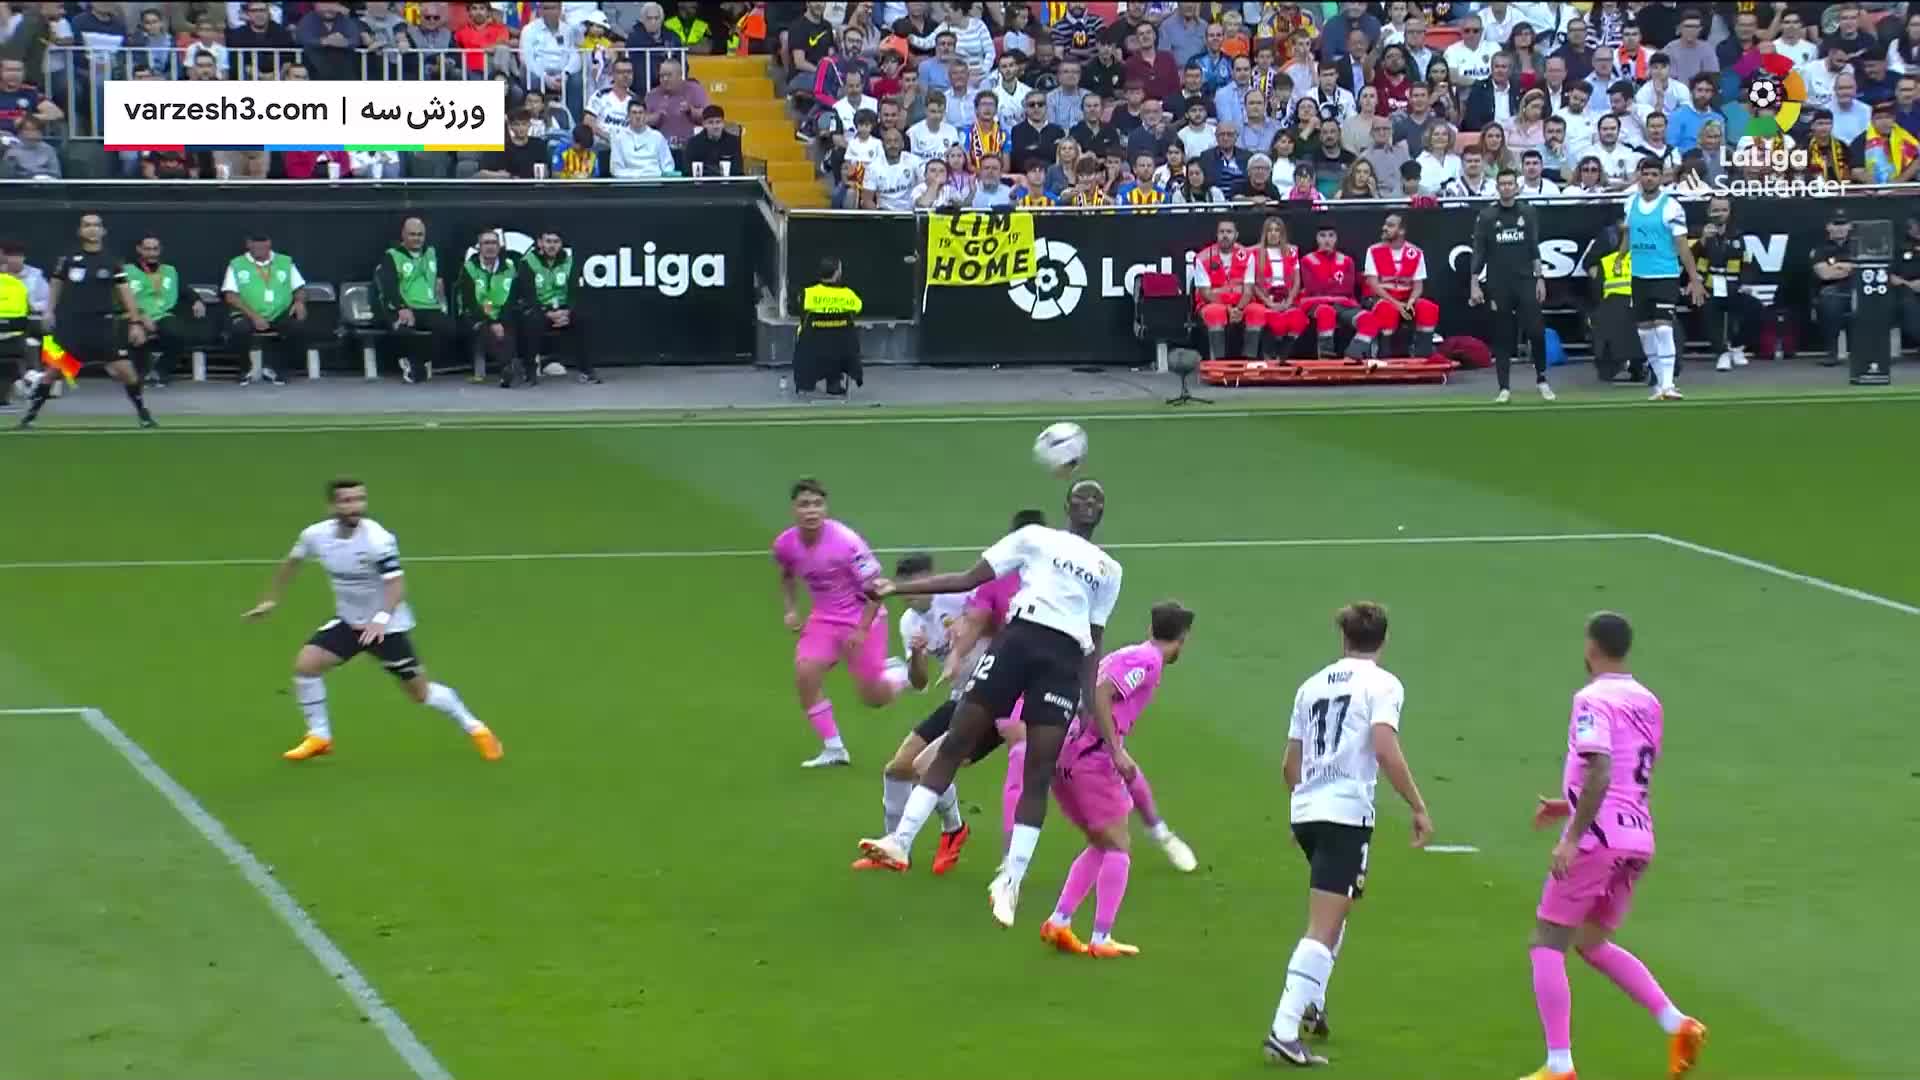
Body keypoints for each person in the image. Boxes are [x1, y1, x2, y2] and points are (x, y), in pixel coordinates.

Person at [858, 481, 1122, 930]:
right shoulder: (1035, 538)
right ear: (1066, 505)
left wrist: (1086, 696)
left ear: (1103, 511)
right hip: (1018, 641)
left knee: (1038, 770)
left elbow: (1094, 638)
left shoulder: (1109, 570)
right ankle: (900, 841)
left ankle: (1010, 881)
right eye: (1081, 497)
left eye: (1096, 499)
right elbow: (968, 578)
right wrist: (897, 588)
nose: (1088, 503)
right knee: (957, 739)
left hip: (1062, 661)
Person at [1519, 612, 1708, 1080]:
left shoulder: (1591, 700)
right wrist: (1567, 804)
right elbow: (1627, 773)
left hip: (1598, 839)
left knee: (1547, 942)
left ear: (1591, 648)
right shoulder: (1648, 701)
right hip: (1637, 836)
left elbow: (1602, 770)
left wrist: (1571, 837)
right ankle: (1678, 1024)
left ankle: (1559, 1067)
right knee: (1592, 941)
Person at [1263, 602, 1433, 1067]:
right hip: (1344, 815)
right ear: (1384, 640)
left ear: (1344, 638)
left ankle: (1311, 1001)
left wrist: (1307, 806)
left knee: (1337, 909)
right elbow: (1384, 747)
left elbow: (1290, 765)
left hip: (1308, 812)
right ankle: (1283, 1029)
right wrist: (1417, 805)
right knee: (1323, 925)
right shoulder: (1384, 684)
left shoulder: (1311, 685)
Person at [243, 479, 503, 763]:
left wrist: (379, 620)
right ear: (332, 506)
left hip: (387, 629)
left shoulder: (377, 540)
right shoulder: (315, 535)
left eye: (359, 499)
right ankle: (319, 736)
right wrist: (271, 599)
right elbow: (292, 562)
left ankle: (477, 729)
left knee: (421, 694)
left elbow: (396, 585)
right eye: (347, 501)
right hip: (349, 623)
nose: (355, 507)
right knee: (306, 667)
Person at [1038, 601, 1196, 959]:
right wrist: (1115, 750)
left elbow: (1091, 685)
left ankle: (1060, 920)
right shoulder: (1148, 661)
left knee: (1100, 842)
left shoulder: (1125, 653)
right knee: (1118, 846)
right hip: (1091, 760)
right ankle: (1101, 937)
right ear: (1182, 638)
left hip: (1067, 754)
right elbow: (1102, 692)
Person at [773, 476, 908, 768]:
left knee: (873, 698)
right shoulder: (785, 544)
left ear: (825, 508)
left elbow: (877, 589)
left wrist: (861, 630)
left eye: (817, 504)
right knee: (805, 676)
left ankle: (899, 674)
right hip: (823, 619)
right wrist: (791, 609)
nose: (811, 511)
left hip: (862, 618)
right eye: (804, 504)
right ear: (794, 509)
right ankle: (834, 748)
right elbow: (787, 575)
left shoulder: (847, 543)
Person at [16, 216, 154, 431]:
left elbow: (125, 292)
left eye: (96, 225)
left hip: (103, 325)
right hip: (72, 325)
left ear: (103, 231)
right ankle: (29, 418)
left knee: (126, 372)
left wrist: (135, 322)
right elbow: (56, 284)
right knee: (53, 371)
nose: (92, 229)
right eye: (87, 225)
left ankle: (144, 415)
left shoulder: (112, 261)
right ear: (80, 231)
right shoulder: (68, 259)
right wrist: (49, 311)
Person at [1625, 158, 1707, 400]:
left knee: (1663, 328)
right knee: (1645, 333)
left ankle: (1669, 384)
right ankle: (1660, 384)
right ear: (1639, 176)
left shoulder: (1671, 207)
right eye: (1645, 174)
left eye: (1654, 174)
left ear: (1661, 178)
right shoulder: (1630, 203)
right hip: (1639, 276)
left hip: (1665, 275)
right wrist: (1620, 256)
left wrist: (1694, 279)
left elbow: (1682, 246)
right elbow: (1628, 234)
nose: (1649, 178)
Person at [1471, 169, 1555, 402]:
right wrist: (1474, 283)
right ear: (1497, 187)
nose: (1507, 187)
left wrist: (1540, 278)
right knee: (1502, 336)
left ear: (1516, 188)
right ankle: (1504, 388)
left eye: (1510, 184)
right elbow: (1479, 252)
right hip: (1499, 283)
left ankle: (1542, 379)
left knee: (1536, 331)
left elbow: (1534, 247)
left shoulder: (1528, 212)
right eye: (1503, 184)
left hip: (1526, 280)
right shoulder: (1487, 216)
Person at [372, 217, 454, 385]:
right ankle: (411, 363)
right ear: (403, 235)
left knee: (448, 327)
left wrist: (442, 302)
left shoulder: (431, 253)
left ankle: (423, 360)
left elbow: (439, 281)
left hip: (430, 307)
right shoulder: (392, 256)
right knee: (404, 329)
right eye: (412, 234)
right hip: (405, 306)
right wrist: (401, 307)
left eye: (420, 234)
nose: (417, 238)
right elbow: (388, 286)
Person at [221, 233, 308, 389]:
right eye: (255, 244)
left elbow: (299, 288)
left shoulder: (285, 262)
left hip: (279, 312)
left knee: (296, 327)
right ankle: (245, 368)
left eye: (262, 244)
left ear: (269, 244)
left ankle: (277, 368)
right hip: (248, 314)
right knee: (239, 329)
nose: (259, 248)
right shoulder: (237, 264)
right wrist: (255, 316)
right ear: (248, 244)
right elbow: (230, 296)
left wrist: (299, 302)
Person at [1351, 212, 1440, 360]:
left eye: (1390, 225)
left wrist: (1411, 302)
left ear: (1402, 231)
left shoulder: (1416, 252)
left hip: (1406, 298)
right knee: (1387, 310)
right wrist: (1397, 304)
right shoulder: (1374, 250)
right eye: (1385, 225)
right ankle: (1384, 355)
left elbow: (1418, 286)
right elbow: (1373, 284)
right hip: (1379, 298)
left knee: (1428, 308)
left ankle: (1422, 355)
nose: (1385, 228)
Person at [124, 235, 205, 389]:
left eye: (155, 249)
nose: (152, 253)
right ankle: (141, 372)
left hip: (161, 314)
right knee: (136, 335)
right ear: (139, 249)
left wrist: (197, 300)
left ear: (160, 250)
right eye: (147, 249)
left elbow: (184, 289)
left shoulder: (169, 270)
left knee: (178, 333)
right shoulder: (127, 271)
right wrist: (140, 315)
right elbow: (119, 297)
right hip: (133, 315)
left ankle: (160, 371)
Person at [517, 229, 596, 385]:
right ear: (540, 243)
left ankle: (586, 371)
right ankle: (530, 371)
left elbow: (575, 291)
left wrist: (567, 311)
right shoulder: (528, 262)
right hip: (540, 310)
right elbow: (527, 295)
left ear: (561, 244)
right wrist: (547, 313)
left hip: (564, 310)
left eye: (556, 242)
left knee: (583, 318)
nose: (552, 246)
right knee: (531, 320)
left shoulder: (570, 262)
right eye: (548, 241)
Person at [1692, 197, 1756, 373]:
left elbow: (1748, 262)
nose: (1720, 214)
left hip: (1733, 286)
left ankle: (1736, 347)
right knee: (1708, 308)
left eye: (1724, 210)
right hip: (1708, 287)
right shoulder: (1698, 233)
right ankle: (1722, 353)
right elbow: (1688, 260)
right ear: (1708, 212)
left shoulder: (1738, 235)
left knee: (1755, 308)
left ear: (1729, 213)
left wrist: (1745, 283)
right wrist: (1703, 240)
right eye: (1716, 210)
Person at [457, 230, 528, 388]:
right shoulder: (469, 268)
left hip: (503, 315)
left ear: (499, 246)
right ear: (479, 247)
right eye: (486, 243)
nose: (490, 247)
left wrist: (500, 320)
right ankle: (507, 367)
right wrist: (491, 321)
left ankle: (509, 369)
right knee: (486, 330)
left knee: (512, 326)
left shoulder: (510, 267)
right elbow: (469, 302)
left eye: (494, 243)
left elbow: (513, 298)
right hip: (477, 315)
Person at [1190, 218, 1267, 360]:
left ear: (1236, 235)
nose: (1225, 235)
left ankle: (1249, 360)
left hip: (1242, 303)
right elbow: (1205, 293)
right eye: (1222, 232)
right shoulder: (1202, 257)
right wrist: (1228, 309)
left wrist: (1238, 309)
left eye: (1229, 232)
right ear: (1217, 235)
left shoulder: (1247, 255)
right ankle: (1218, 361)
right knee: (1215, 312)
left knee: (1257, 311)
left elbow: (1248, 290)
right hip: (1212, 303)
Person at [794, 256, 865, 395]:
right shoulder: (848, 295)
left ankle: (805, 382)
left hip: (812, 349)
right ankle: (834, 383)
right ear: (837, 273)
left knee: (813, 338)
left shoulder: (807, 293)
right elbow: (858, 309)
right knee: (836, 340)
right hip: (843, 352)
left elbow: (800, 311)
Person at [1298, 222, 1363, 359]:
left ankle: (1352, 356)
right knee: (1326, 312)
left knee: (1368, 320)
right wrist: (1333, 289)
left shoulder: (1347, 260)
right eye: (1322, 236)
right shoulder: (1307, 260)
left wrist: (1327, 287)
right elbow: (1313, 288)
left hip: (1344, 306)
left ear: (1336, 238)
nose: (1327, 240)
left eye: (1331, 236)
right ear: (1317, 238)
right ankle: (1326, 358)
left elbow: (1347, 289)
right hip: (1316, 304)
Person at [1253, 216, 1310, 360]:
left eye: (1277, 230)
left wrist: (1289, 300)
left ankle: (1284, 352)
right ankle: (1270, 355)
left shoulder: (1291, 251)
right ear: (1265, 233)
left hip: (1287, 299)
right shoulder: (1255, 253)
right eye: (1270, 230)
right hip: (1265, 299)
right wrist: (1268, 302)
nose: (1273, 234)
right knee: (1271, 319)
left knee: (1298, 318)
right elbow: (1252, 283)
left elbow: (1297, 281)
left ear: (1282, 233)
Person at [1811, 211, 1859, 368]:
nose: (1840, 228)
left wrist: (1839, 266)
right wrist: (1851, 267)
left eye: (1843, 224)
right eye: (1836, 224)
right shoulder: (1820, 249)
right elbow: (1825, 274)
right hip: (1833, 290)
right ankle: (1832, 352)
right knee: (1829, 300)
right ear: (1828, 227)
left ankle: (1867, 352)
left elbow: (1864, 269)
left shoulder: (1859, 245)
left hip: (1857, 289)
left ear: (1850, 226)